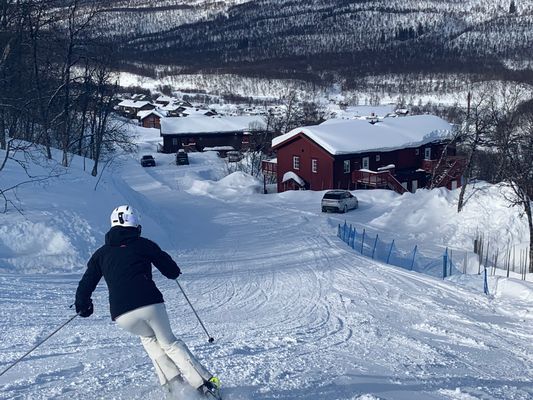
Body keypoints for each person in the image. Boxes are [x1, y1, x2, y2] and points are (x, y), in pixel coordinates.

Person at [75, 205, 220, 398]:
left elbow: (87, 282)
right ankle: (204, 385)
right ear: (135, 224)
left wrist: (83, 304)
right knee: (169, 342)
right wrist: (173, 272)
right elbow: (170, 269)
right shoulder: (143, 244)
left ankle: (173, 386)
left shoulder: (101, 254)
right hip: (150, 304)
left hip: (122, 315)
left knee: (149, 340)